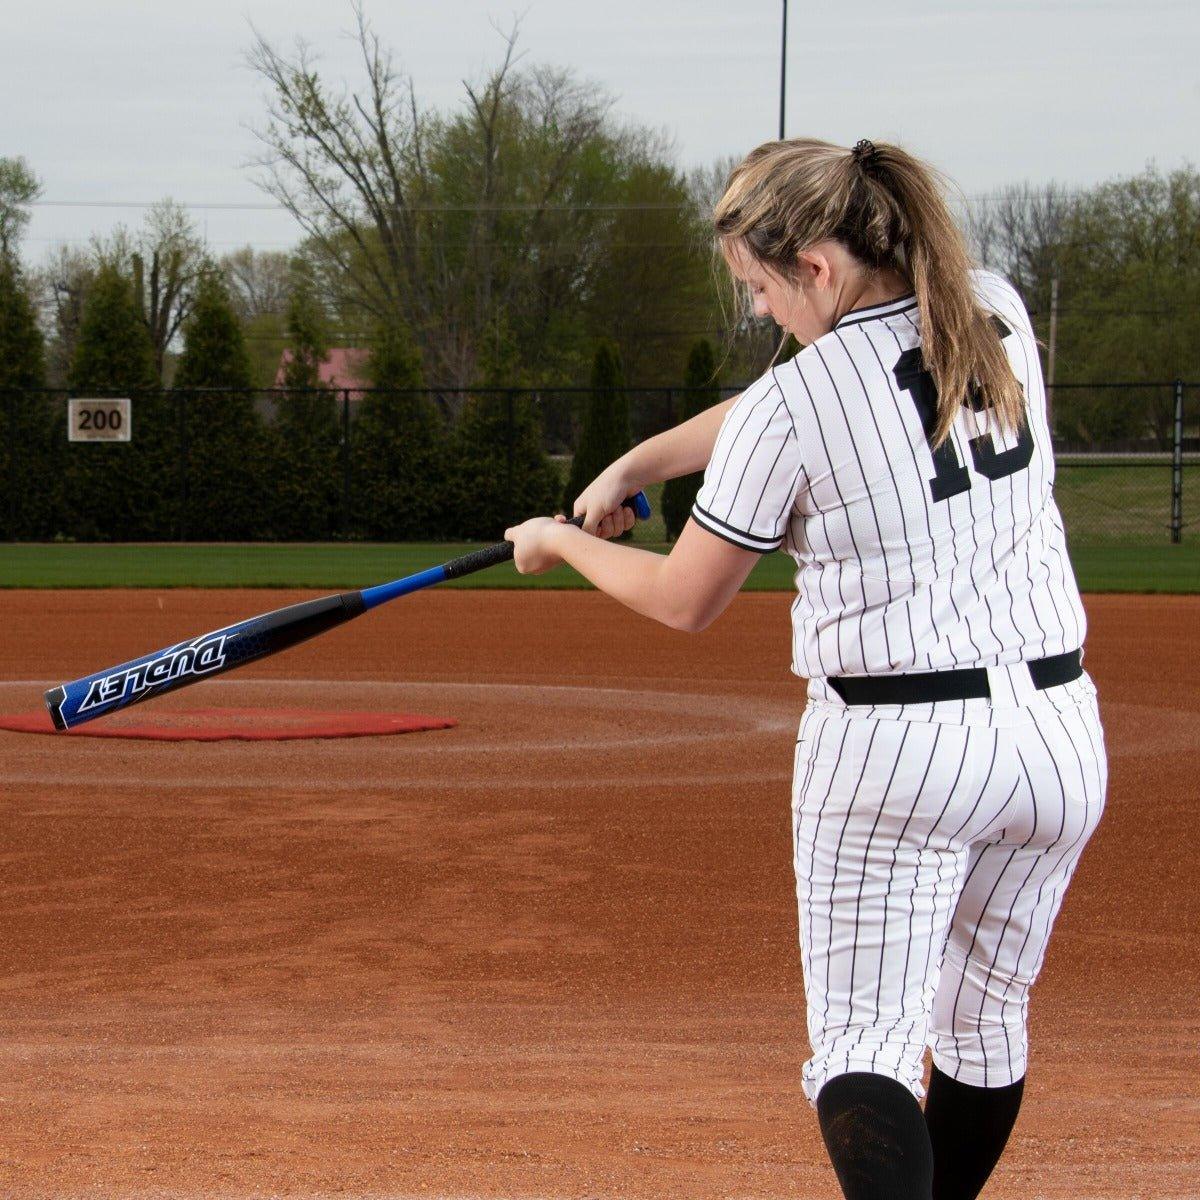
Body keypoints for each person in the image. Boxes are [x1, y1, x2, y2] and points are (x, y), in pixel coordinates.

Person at [504, 137, 1107, 1200]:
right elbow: (825, 396)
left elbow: (688, 598)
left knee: (864, 1050)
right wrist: (640, 462)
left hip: (896, 751)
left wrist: (565, 545)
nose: (761, 314)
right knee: (983, 1020)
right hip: (1059, 744)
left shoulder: (798, 403)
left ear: (817, 267)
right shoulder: (996, 306)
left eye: (761, 288)